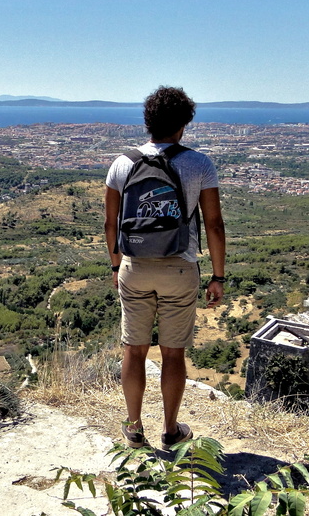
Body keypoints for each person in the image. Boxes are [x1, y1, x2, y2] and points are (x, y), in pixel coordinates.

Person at [104, 85, 226, 450]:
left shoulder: (122, 163)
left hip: (135, 265)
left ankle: (134, 428)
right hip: (179, 268)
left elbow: (111, 224)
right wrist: (218, 276)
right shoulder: (198, 163)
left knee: (134, 349)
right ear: (184, 124)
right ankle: (171, 431)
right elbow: (214, 224)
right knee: (173, 353)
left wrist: (116, 264)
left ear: (147, 122)